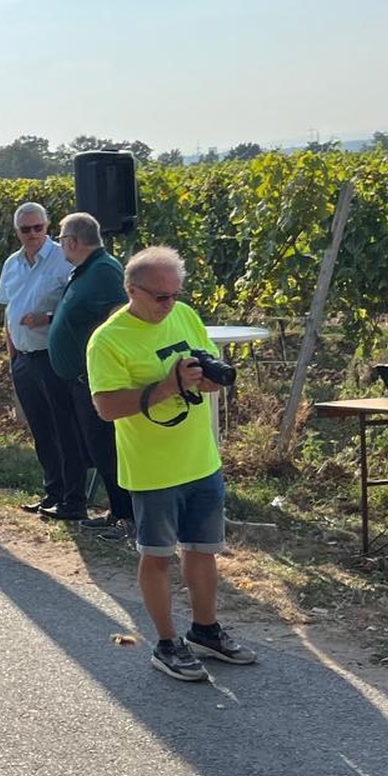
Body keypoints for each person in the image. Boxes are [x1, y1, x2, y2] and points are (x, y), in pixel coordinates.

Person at [89, 247, 257, 683]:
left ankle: (205, 630)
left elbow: (209, 381)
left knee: (203, 550)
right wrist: (167, 387)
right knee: (158, 556)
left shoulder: (184, 315)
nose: (170, 304)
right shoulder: (108, 340)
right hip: (153, 469)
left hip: (201, 460)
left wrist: (209, 378)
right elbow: (106, 407)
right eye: (160, 296)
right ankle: (166, 644)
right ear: (132, 290)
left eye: (176, 294)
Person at [0, 201, 88, 521]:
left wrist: (46, 317)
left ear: (48, 227)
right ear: (18, 232)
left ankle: (74, 500)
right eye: (26, 229)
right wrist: (12, 356)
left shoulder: (64, 259)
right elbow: (8, 310)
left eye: (38, 227)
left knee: (65, 429)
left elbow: (75, 306)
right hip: (24, 359)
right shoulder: (12, 264)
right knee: (41, 430)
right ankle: (53, 492)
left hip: (53, 357)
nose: (33, 233)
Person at [48, 213, 133, 538]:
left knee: (109, 450)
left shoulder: (104, 271)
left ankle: (128, 517)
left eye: (60, 239)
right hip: (79, 380)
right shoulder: (87, 270)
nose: (59, 245)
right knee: (99, 450)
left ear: (72, 242)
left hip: (95, 380)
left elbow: (118, 319)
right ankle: (117, 511)